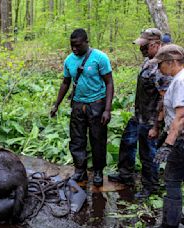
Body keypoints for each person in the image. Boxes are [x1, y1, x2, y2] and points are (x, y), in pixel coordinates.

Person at [108, 28, 171, 198]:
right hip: (139, 115)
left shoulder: (162, 67)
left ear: (157, 44)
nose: (141, 49)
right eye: (141, 45)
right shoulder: (149, 61)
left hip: (151, 119)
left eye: (145, 46)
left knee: (148, 153)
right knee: (127, 143)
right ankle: (125, 175)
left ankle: (150, 186)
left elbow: (164, 99)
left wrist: (156, 125)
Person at [50, 28, 114, 187]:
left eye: (77, 45)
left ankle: (98, 171)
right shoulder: (69, 60)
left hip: (97, 104)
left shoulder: (100, 58)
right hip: (78, 104)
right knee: (77, 139)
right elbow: (66, 82)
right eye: (72, 45)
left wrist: (107, 109)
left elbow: (109, 82)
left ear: (86, 42)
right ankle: (80, 169)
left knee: (97, 140)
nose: (74, 49)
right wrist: (56, 104)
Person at [152, 44, 184, 228]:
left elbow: (181, 116)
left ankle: (170, 224)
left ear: (172, 62)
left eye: (161, 64)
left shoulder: (180, 81)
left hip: (180, 141)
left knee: (172, 182)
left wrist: (168, 144)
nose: (159, 69)